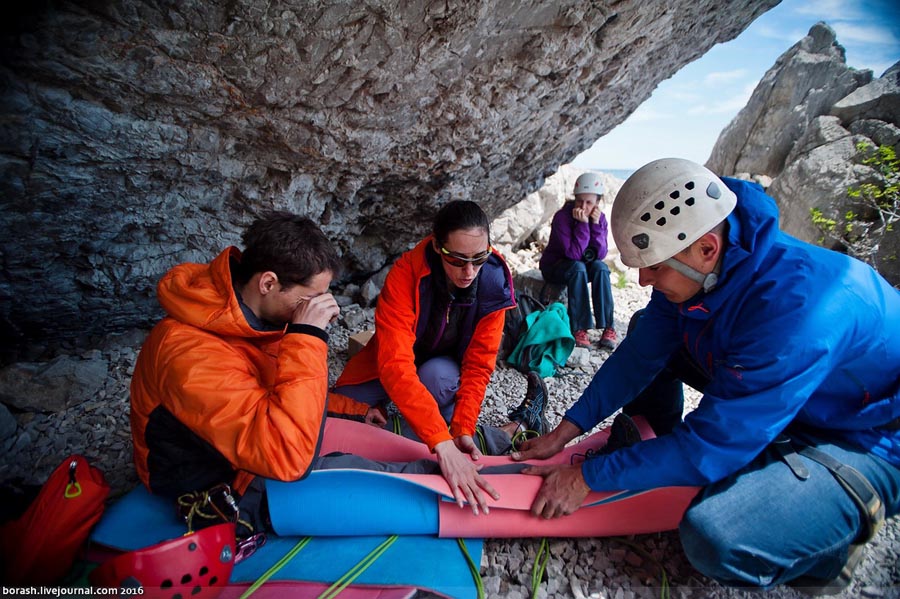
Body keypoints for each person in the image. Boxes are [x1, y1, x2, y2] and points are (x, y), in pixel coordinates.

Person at [513, 158, 900, 593]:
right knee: (645, 324)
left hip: (865, 435)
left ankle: (829, 550)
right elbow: (640, 354)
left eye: (654, 267)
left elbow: (712, 445)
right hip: (789, 391)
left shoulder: (799, 309)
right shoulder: (703, 259)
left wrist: (586, 478)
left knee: (713, 538)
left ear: (708, 249)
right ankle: (655, 440)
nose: (642, 280)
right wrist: (566, 430)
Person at [129, 212, 500, 532]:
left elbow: (276, 388)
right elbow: (288, 459)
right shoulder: (190, 354)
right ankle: (507, 484)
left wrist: (353, 411)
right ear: (268, 283)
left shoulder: (248, 314)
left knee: (406, 445)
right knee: (402, 484)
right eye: (311, 298)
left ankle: (499, 444)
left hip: (261, 444)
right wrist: (306, 336)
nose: (325, 308)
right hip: (230, 485)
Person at [333, 200, 550, 516]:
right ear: (436, 246)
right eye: (458, 259)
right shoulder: (405, 275)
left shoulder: (492, 283)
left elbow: (478, 365)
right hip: (390, 361)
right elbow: (395, 365)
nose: (469, 272)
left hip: (441, 370)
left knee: (435, 387)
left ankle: (509, 430)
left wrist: (460, 429)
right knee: (340, 417)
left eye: (479, 258)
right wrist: (439, 441)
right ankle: (504, 433)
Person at [539, 172, 616, 350]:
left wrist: (595, 226)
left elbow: (601, 253)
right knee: (578, 267)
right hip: (556, 267)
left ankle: (608, 327)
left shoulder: (600, 219)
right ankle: (579, 328)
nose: (583, 206)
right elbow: (572, 254)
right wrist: (582, 225)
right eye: (579, 200)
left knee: (601, 268)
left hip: (579, 266)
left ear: (597, 202)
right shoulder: (563, 217)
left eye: (589, 202)